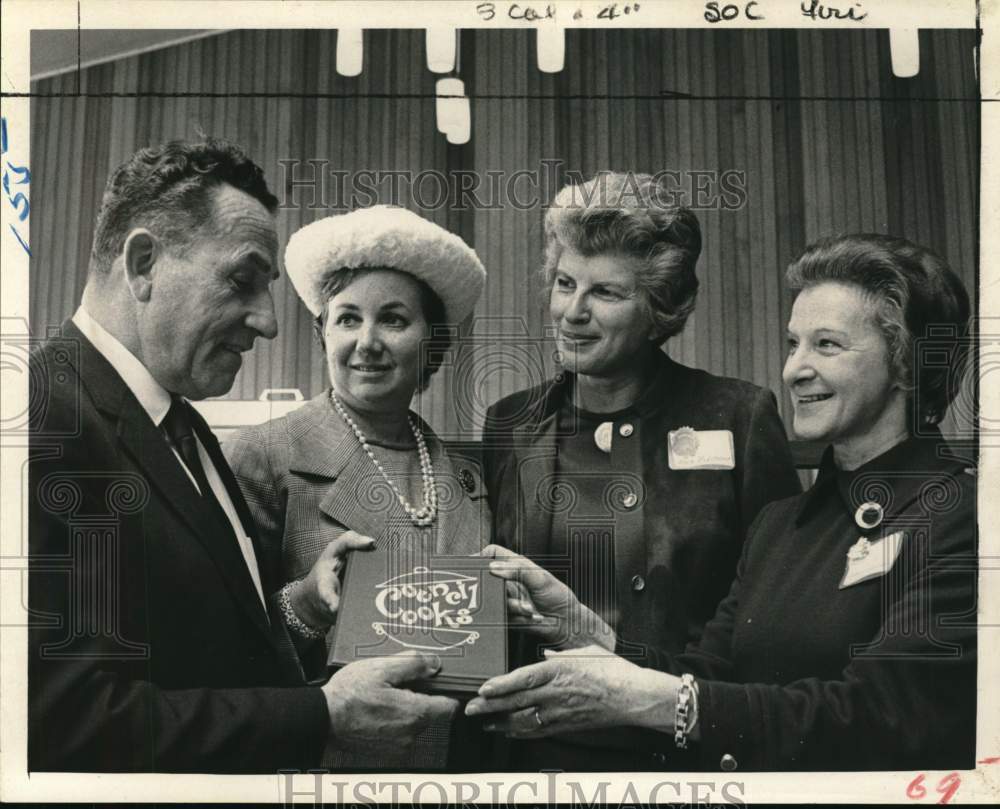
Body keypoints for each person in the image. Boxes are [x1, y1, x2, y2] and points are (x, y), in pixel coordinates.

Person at [467, 233, 976, 771]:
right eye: (792, 344)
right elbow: (708, 675)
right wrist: (585, 631)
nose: (793, 370)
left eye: (826, 345)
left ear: (905, 362)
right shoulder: (781, 526)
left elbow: (887, 716)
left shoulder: (964, 517)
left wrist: (657, 701)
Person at [28, 140, 456, 773]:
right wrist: (323, 716)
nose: (268, 323)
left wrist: (306, 604)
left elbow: (219, 648)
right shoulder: (36, 423)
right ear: (144, 263)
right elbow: (57, 726)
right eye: (242, 280)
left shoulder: (185, 426)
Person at [480, 172, 801, 769]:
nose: (571, 311)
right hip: (539, 754)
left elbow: (774, 604)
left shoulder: (738, 414)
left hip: (685, 751)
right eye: (564, 283)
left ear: (659, 310)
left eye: (605, 293)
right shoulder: (510, 424)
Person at [224, 205, 491, 770]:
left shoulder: (468, 476)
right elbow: (217, 658)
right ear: (323, 334)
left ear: (432, 342)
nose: (367, 342)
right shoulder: (261, 457)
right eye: (347, 319)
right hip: (324, 774)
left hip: (459, 773)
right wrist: (306, 605)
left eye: (393, 320)